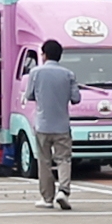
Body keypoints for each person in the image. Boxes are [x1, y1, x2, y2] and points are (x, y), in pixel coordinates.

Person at [18, 39, 80, 210]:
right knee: (64, 159)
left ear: (44, 55)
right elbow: (76, 98)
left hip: (42, 125)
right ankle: (64, 191)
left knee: (44, 161)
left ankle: (47, 198)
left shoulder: (35, 72)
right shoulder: (68, 74)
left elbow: (29, 95)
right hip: (62, 125)